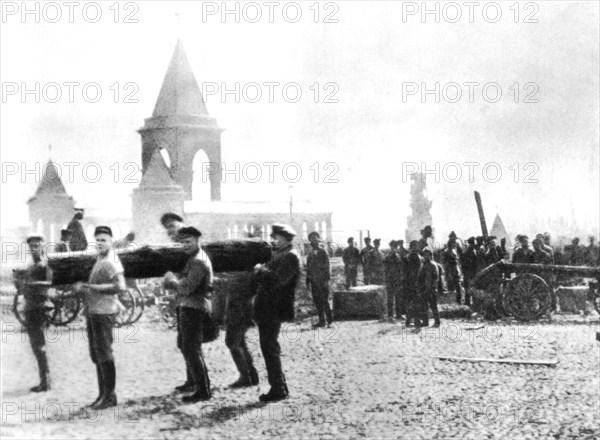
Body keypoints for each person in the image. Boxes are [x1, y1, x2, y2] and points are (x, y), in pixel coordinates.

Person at [74, 226, 126, 409]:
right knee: (97, 354)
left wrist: (91, 288)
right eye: (97, 239)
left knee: (104, 352)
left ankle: (110, 397)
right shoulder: (100, 258)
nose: (100, 242)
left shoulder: (112, 260)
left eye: (104, 239)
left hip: (104, 312)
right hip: (94, 311)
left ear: (111, 242)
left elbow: (121, 286)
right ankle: (102, 395)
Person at [163, 226, 214, 403]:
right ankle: (192, 382)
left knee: (192, 348)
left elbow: (186, 287)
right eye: (182, 242)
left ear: (196, 240)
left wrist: (171, 281)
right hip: (188, 306)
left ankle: (203, 389)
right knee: (185, 345)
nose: (185, 245)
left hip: (194, 307)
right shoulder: (193, 258)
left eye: (188, 241)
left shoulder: (198, 261)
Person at [252, 224, 300, 402]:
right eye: (271, 237)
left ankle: (278, 389)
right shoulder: (281, 254)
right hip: (268, 307)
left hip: (274, 308)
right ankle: (280, 386)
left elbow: (279, 281)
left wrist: (260, 270)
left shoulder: (290, 256)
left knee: (270, 347)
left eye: (276, 238)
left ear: (287, 239)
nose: (272, 241)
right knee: (269, 347)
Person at [21, 235, 54, 392]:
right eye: (31, 246)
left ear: (42, 247)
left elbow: (48, 283)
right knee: (36, 346)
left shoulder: (43, 265)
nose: (33, 249)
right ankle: (44, 380)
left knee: (39, 346)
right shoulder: (32, 265)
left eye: (36, 246)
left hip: (38, 308)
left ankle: (45, 382)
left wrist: (29, 284)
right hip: (31, 307)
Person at [306, 231, 333, 328]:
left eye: (315, 239)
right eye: (311, 240)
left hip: (322, 281)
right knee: (317, 301)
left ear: (318, 241)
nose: (313, 242)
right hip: (314, 282)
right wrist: (307, 281)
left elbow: (328, 267)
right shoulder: (310, 254)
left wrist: (326, 280)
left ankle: (329, 321)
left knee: (324, 301)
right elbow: (308, 268)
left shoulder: (323, 252)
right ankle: (322, 321)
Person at [418, 249, 441, 327]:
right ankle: (425, 322)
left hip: (431, 288)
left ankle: (437, 321)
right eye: (424, 255)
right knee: (424, 306)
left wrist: (433, 287)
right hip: (424, 288)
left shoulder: (433, 265)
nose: (426, 256)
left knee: (433, 305)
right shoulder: (423, 265)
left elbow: (435, 278)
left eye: (428, 255)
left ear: (431, 256)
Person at [383, 240, 405, 320]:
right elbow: (385, 269)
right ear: (391, 247)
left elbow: (400, 268)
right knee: (390, 298)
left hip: (397, 280)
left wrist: (400, 278)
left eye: (395, 247)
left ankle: (398, 315)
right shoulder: (387, 257)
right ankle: (390, 315)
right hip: (390, 280)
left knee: (398, 298)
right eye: (393, 247)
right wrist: (387, 279)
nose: (394, 248)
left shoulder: (398, 256)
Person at [404, 240, 423, 327]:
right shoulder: (413, 256)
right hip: (414, 282)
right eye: (416, 246)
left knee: (410, 302)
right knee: (416, 302)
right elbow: (413, 271)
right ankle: (416, 321)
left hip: (410, 283)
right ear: (413, 247)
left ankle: (408, 320)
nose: (418, 247)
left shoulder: (408, 256)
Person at [443, 240, 464, 305]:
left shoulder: (452, 250)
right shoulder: (448, 251)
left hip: (454, 270)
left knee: (457, 287)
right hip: (451, 271)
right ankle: (456, 303)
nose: (455, 244)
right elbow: (446, 262)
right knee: (453, 288)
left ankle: (459, 301)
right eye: (454, 243)